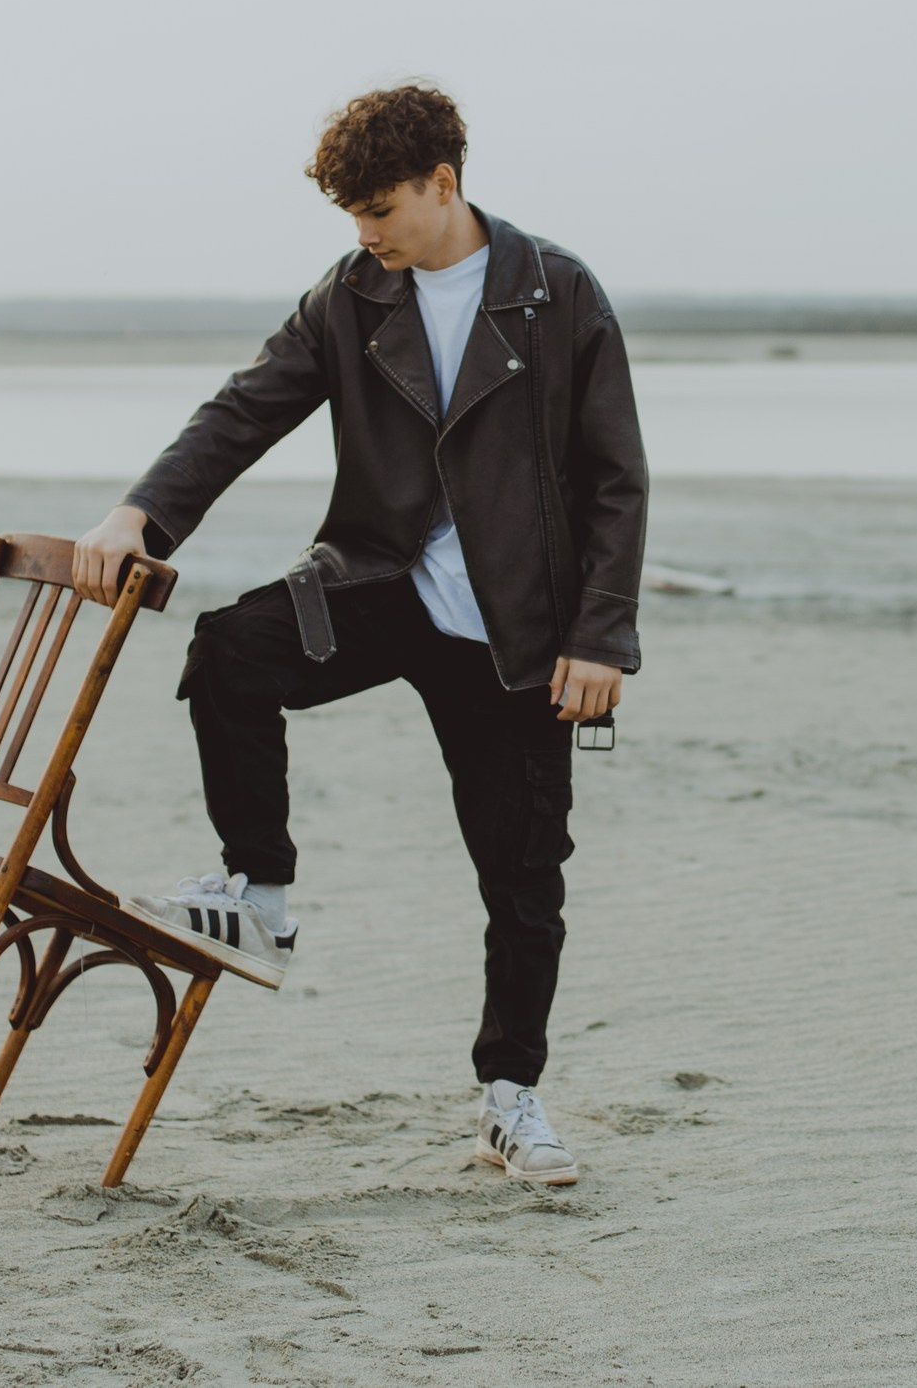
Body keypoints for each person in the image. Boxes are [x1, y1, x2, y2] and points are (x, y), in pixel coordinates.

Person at [70, 84, 647, 1186]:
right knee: (229, 652)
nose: (366, 235)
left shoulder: (555, 293)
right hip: (383, 584)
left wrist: (601, 639)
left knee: (522, 880)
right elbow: (245, 409)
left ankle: (510, 1100)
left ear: (444, 182)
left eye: (379, 209)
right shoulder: (352, 294)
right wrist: (140, 512)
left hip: (518, 631)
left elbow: (616, 478)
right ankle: (263, 896)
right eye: (351, 218)